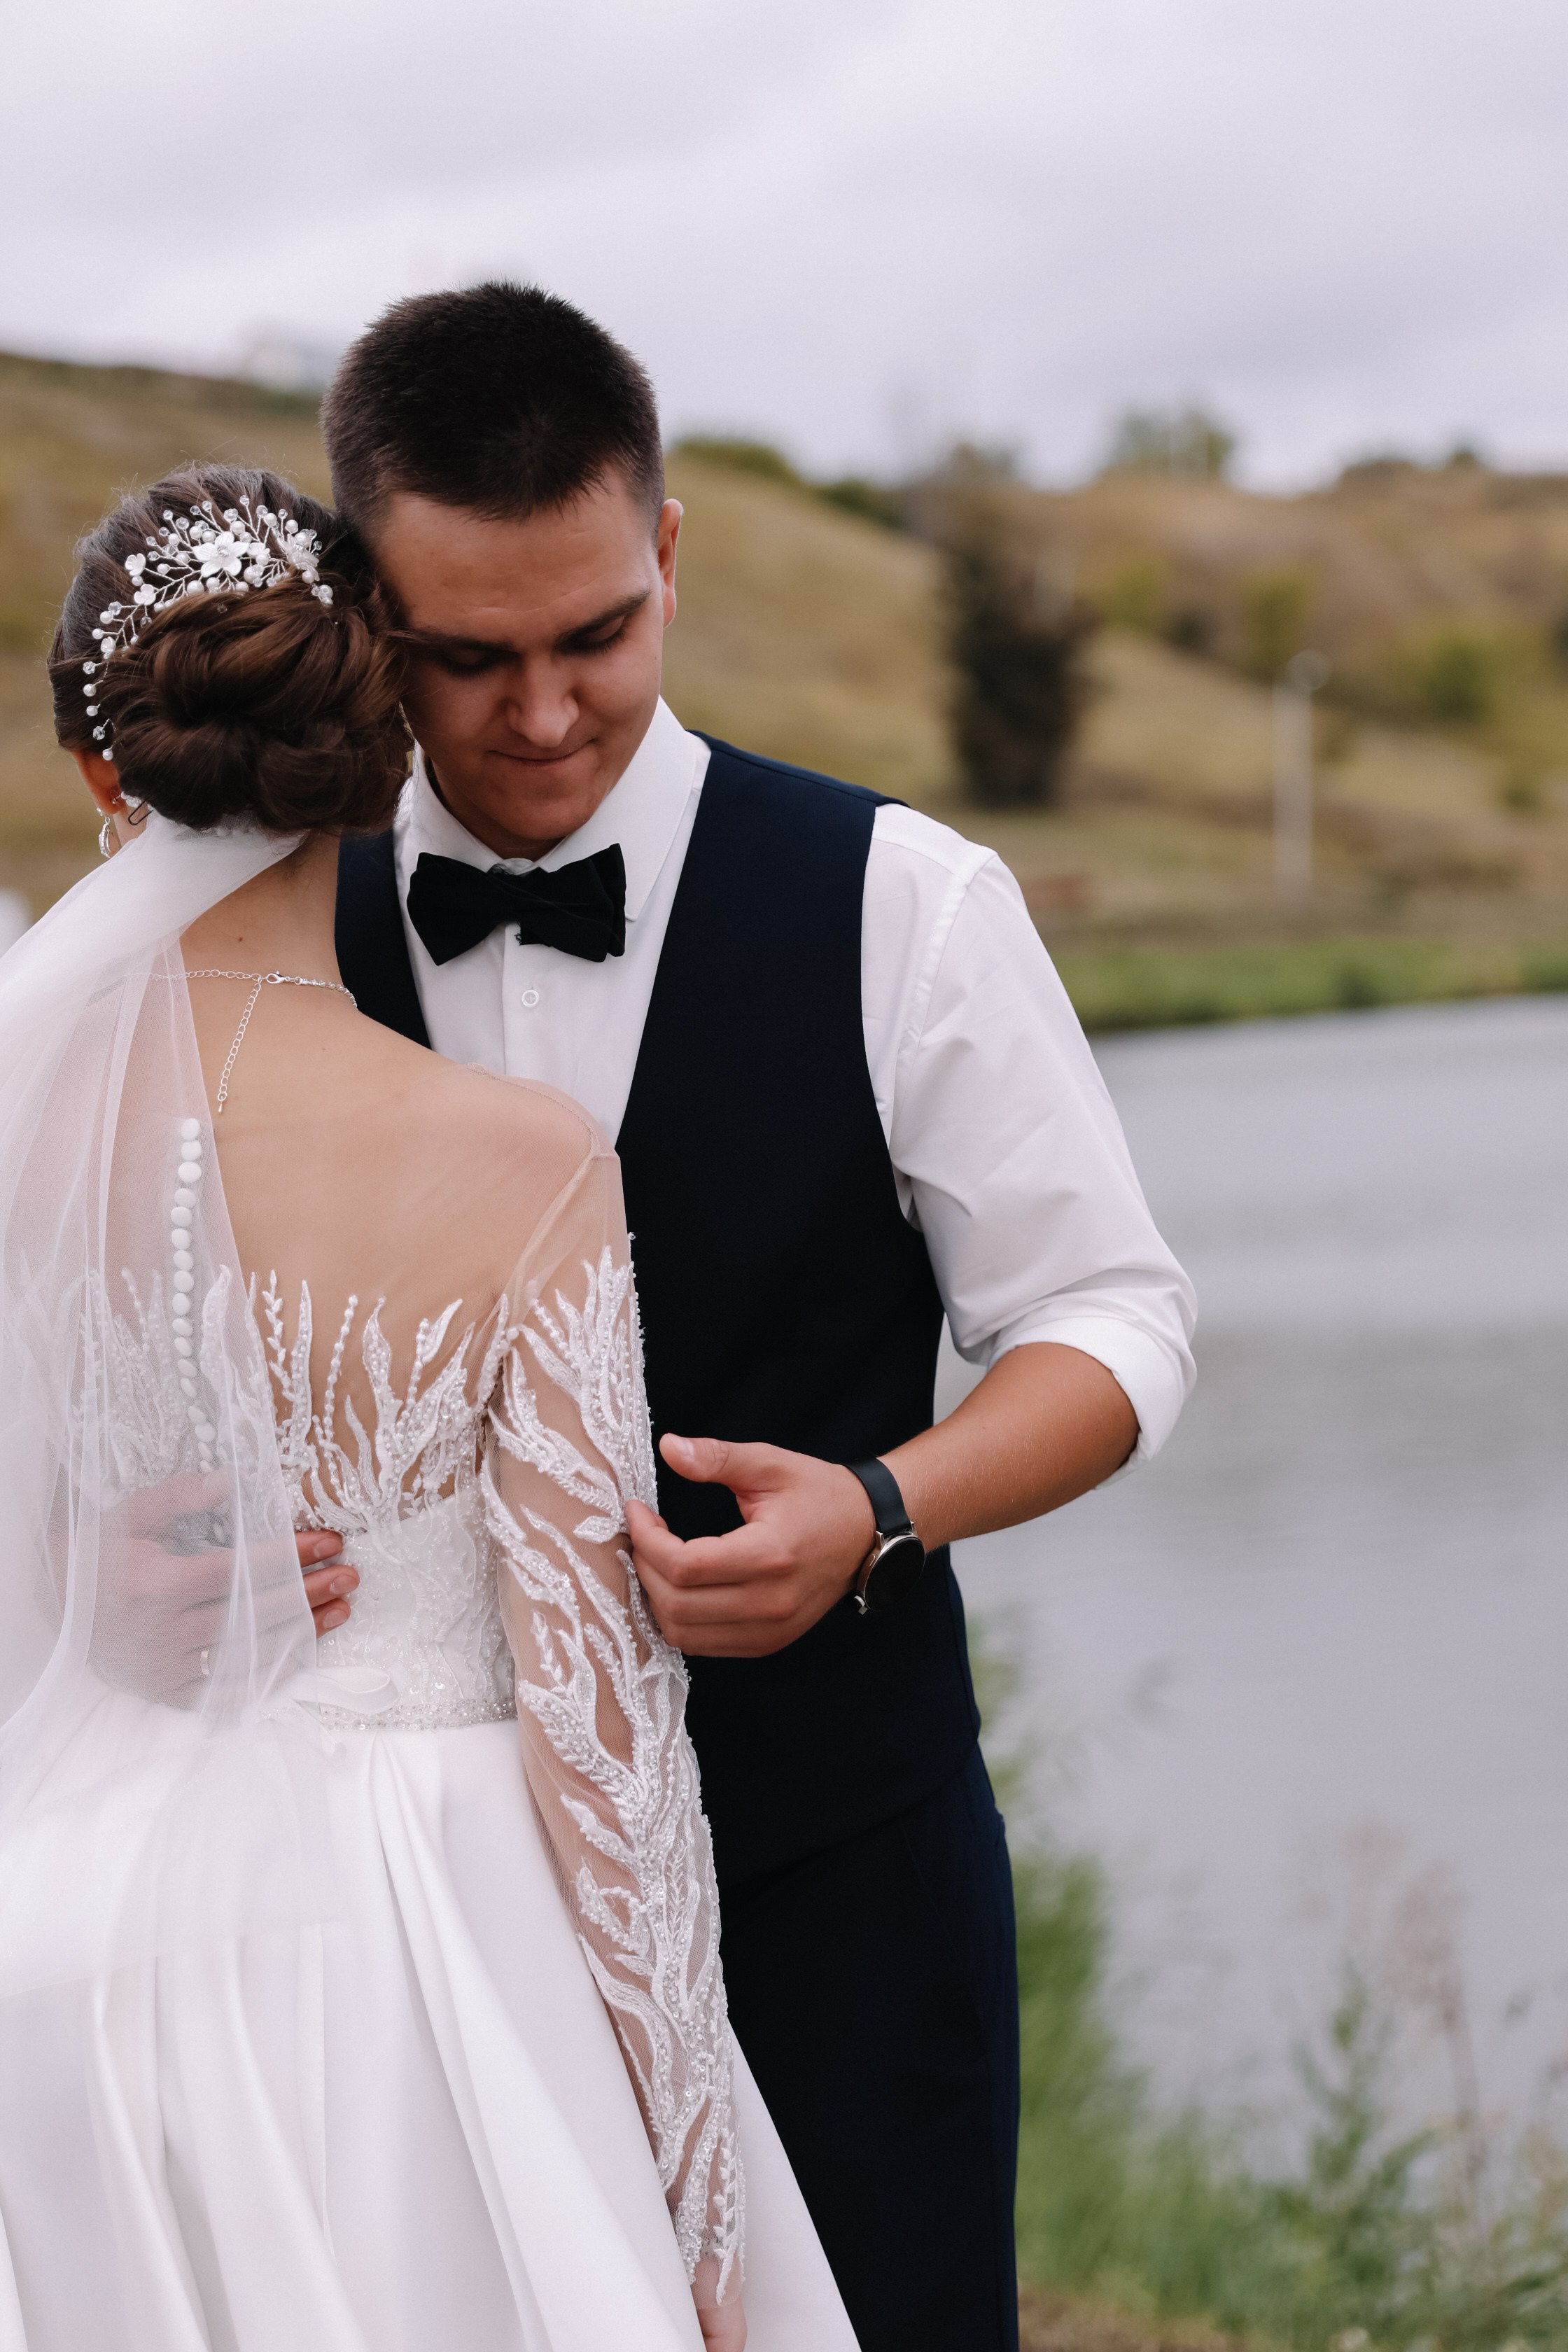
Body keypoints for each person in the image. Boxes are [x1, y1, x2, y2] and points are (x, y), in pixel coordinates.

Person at [326, 284, 1198, 2352]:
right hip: (416, 1914)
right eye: (467, 658)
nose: (543, 715)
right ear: (367, 611)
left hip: (843, 1887)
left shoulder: (910, 903)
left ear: (672, 558)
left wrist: (887, 1504)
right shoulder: (255, 932)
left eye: (596, 636)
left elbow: (1116, 1319)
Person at [0, 461, 860, 2349]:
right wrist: (705, 2233)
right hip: (422, 1965)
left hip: (63, 1945)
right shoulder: (523, 1165)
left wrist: (74, 1583)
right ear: (386, 752)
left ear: (100, 776)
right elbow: (602, 1729)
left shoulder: (20, 1128)